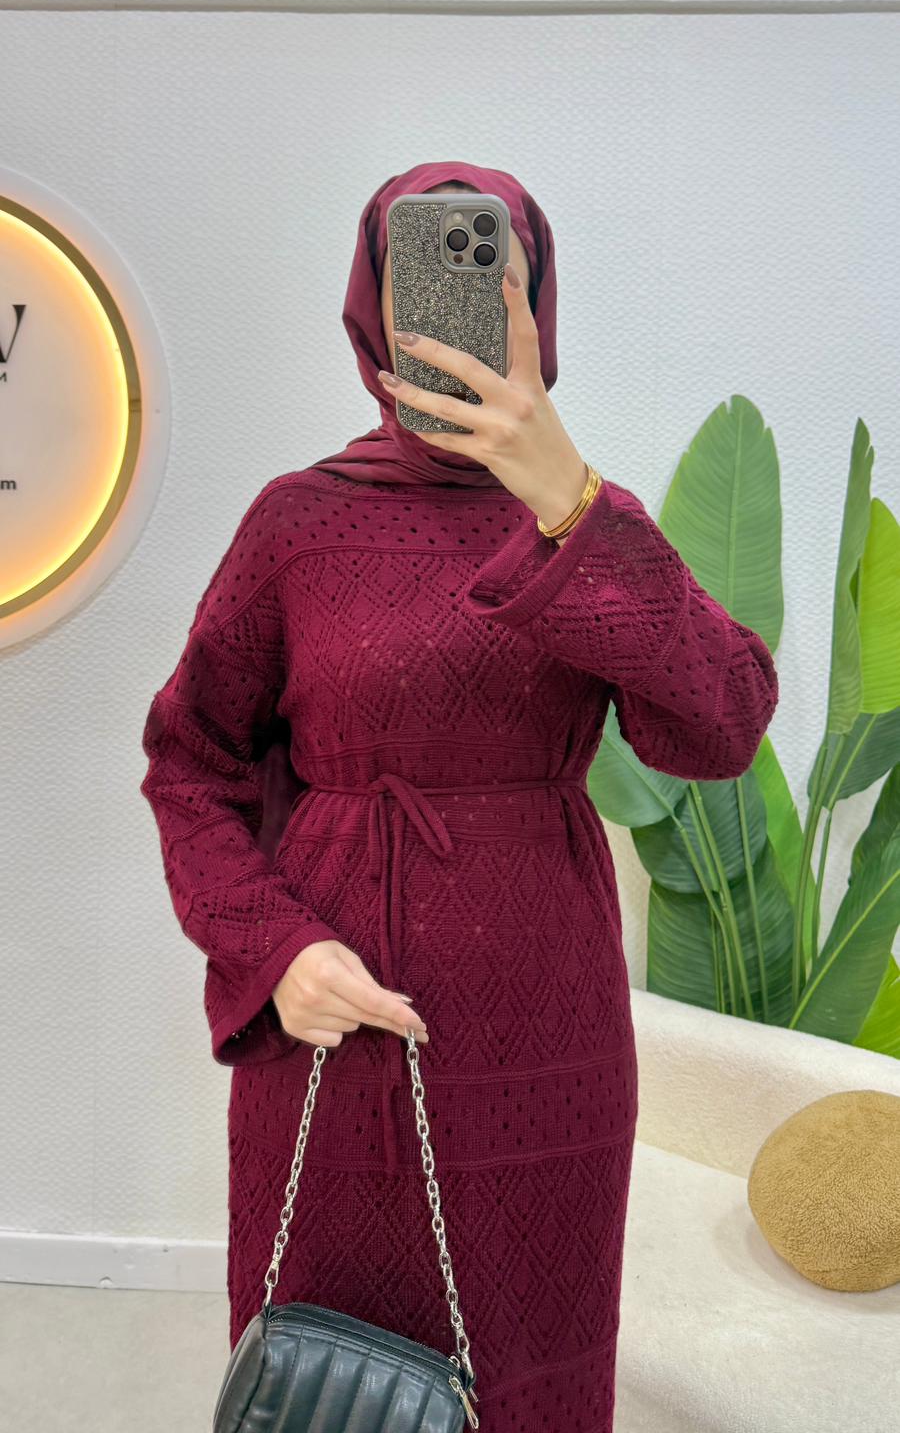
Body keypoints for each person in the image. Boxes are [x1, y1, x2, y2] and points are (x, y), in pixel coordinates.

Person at [139, 158, 779, 1430]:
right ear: (374, 313)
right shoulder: (298, 524)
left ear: (538, 311)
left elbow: (722, 725)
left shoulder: (586, 523)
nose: (452, 318)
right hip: (333, 1029)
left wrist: (573, 506)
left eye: (496, 279)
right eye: (420, 282)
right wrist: (272, 951)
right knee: (323, 1374)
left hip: (546, 1033)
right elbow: (190, 762)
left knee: (530, 1360)